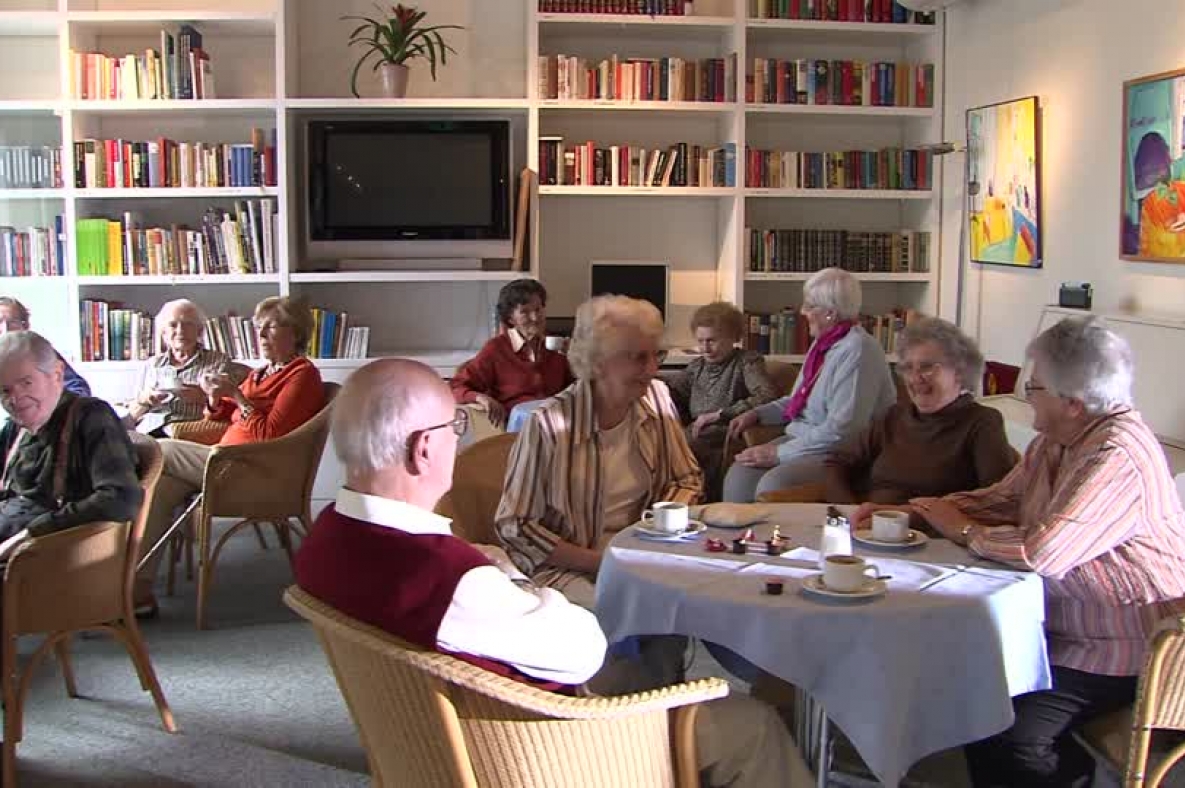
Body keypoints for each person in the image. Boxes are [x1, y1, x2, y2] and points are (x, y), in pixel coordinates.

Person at [295, 358, 811, 788]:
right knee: (753, 725)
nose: (458, 439)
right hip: (541, 754)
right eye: (454, 426)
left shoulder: (326, 537)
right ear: (423, 448)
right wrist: (517, 580)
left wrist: (492, 570)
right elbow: (584, 652)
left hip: (445, 737)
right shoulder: (453, 582)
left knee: (646, 660)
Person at [909, 316, 1185, 788]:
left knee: (1005, 728)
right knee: (969, 693)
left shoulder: (1117, 456)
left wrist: (965, 531)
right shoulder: (1057, 442)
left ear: (1072, 403)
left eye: (1033, 386)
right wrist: (917, 512)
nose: (1025, 394)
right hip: (1063, 631)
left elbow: (1043, 554)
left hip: (1131, 648)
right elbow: (1000, 500)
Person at [496, 295, 702, 608]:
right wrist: (602, 561)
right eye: (637, 357)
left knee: (692, 600)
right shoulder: (549, 425)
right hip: (568, 566)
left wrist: (656, 532)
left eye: (655, 354)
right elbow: (516, 526)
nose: (652, 369)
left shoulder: (657, 398)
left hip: (643, 553)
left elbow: (686, 478)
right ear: (597, 362)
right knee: (625, 610)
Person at [135, 296, 326, 615]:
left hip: (251, 469)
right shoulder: (262, 372)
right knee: (162, 485)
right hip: (224, 459)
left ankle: (116, 473)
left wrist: (236, 394)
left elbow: (269, 433)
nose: (261, 335)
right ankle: (137, 589)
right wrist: (214, 397)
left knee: (155, 449)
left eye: (272, 327)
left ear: (296, 332)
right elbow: (221, 417)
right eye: (258, 328)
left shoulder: (302, 375)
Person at [722, 267, 896, 503]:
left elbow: (843, 431)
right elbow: (798, 403)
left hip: (842, 452)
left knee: (773, 486)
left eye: (809, 305)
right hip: (805, 440)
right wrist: (757, 414)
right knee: (739, 474)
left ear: (830, 313)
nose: (802, 312)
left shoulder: (859, 351)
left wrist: (779, 454)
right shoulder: (822, 345)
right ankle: (740, 539)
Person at [823, 317, 1016, 522]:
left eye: (927, 367)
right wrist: (851, 512)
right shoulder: (894, 416)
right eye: (908, 367)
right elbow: (837, 462)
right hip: (869, 532)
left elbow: (996, 502)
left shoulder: (982, 422)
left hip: (932, 539)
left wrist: (903, 518)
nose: (915, 378)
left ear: (959, 372)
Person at [0, 330, 141, 546]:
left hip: (50, 556)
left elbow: (121, 498)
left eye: (26, 383)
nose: (15, 399)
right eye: (4, 390)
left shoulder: (91, 418)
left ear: (57, 374)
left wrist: (34, 533)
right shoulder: (14, 427)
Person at [667, 301, 777, 501]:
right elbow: (672, 392)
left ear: (733, 338)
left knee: (683, 449)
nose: (705, 348)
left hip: (727, 435)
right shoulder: (696, 367)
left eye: (712, 341)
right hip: (694, 433)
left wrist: (721, 414)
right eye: (700, 341)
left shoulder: (747, 361)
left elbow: (767, 395)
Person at [449, 279, 574, 432]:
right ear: (510, 319)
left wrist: (577, 358)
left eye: (538, 309)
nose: (535, 317)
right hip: (516, 433)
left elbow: (576, 388)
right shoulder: (496, 349)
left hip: (556, 427)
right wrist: (481, 398)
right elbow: (456, 386)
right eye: (525, 312)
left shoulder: (557, 347)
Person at [123, 299, 245, 435]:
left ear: (199, 331)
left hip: (188, 432)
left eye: (188, 324)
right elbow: (131, 417)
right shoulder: (151, 365)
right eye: (173, 325)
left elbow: (231, 408)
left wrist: (203, 397)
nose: (180, 331)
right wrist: (144, 400)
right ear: (163, 333)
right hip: (148, 431)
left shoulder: (218, 362)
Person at [0, 296, 91, 397]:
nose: (5, 330)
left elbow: (79, 389)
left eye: (12, 322)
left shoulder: (38, 351)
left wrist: (51, 407)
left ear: (25, 326)